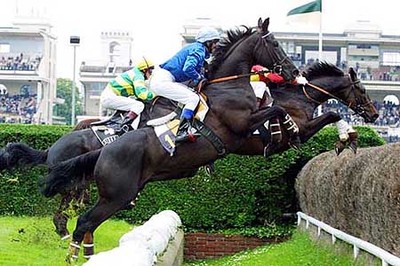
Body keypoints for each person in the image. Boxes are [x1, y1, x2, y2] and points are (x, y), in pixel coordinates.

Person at [149, 26, 220, 143]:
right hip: (163, 80)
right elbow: (188, 68)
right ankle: (182, 131)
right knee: (192, 98)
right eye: (215, 42)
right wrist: (199, 77)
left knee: (192, 96)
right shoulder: (199, 49)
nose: (216, 45)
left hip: (164, 78)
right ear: (208, 42)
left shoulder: (197, 49)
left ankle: (184, 125)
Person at [100, 57, 155, 134]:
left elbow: (139, 95)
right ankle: (123, 127)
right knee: (139, 105)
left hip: (110, 96)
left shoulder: (135, 73)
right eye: (150, 70)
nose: (151, 73)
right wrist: (156, 93)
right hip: (110, 97)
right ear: (144, 70)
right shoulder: (138, 76)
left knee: (136, 104)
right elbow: (142, 94)